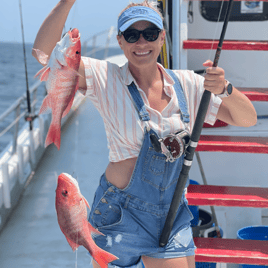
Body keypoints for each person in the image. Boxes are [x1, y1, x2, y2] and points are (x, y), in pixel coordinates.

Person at [32, 1, 257, 267]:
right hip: (119, 214)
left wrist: (224, 88)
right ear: (120, 41)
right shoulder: (106, 78)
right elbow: (44, 54)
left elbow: (247, 118)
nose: (142, 42)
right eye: (132, 35)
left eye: (150, 33)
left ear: (162, 37)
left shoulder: (189, 84)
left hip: (171, 214)